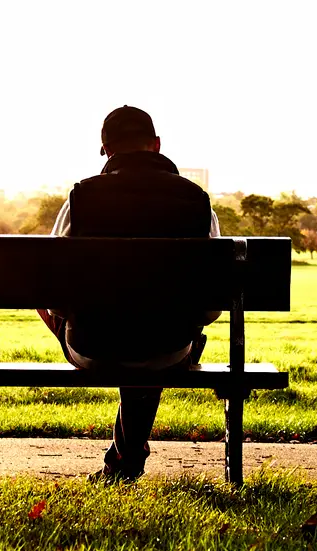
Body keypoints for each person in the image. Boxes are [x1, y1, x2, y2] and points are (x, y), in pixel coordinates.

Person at [37, 105, 221, 484]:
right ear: (156, 145)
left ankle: (125, 458)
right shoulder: (196, 201)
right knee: (154, 339)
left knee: (117, 326)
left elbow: (48, 289)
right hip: (168, 345)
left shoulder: (81, 199)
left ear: (105, 150)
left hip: (93, 345)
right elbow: (211, 303)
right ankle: (126, 456)